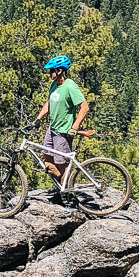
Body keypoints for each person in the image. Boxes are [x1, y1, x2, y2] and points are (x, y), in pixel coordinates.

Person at [32, 55, 89, 187]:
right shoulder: (54, 85)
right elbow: (49, 102)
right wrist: (38, 119)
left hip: (64, 132)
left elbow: (85, 107)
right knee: (47, 154)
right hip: (53, 128)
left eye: (51, 70)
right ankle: (60, 184)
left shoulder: (70, 87)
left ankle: (67, 193)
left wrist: (75, 127)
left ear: (60, 71)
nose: (49, 73)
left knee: (62, 164)